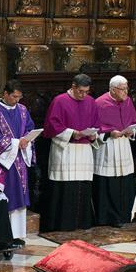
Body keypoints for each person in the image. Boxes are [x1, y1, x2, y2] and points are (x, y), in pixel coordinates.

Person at [41, 73, 99, 232]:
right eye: (81, 91)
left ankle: (82, 222)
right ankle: (62, 224)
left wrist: (93, 134)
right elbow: (51, 125)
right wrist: (72, 133)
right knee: (65, 188)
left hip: (84, 151)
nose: (84, 95)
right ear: (73, 87)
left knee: (82, 186)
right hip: (65, 150)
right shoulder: (59, 101)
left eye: (86, 91)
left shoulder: (91, 102)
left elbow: (96, 124)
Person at [0, 80, 35, 246]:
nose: (17, 100)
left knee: (20, 196)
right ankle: (4, 234)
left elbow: (29, 127)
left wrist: (27, 140)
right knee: (8, 196)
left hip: (19, 159)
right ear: (5, 94)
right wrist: (16, 143)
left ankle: (17, 234)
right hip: (4, 163)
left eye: (19, 97)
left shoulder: (22, 110)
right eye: (14, 96)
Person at [93, 76, 136, 227]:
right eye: (122, 89)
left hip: (124, 145)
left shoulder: (128, 102)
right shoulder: (99, 103)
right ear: (112, 89)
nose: (126, 92)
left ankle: (124, 215)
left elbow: (133, 122)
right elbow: (94, 128)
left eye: (127, 88)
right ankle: (107, 217)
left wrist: (132, 132)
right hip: (108, 147)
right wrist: (108, 133)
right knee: (108, 182)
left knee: (124, 182)